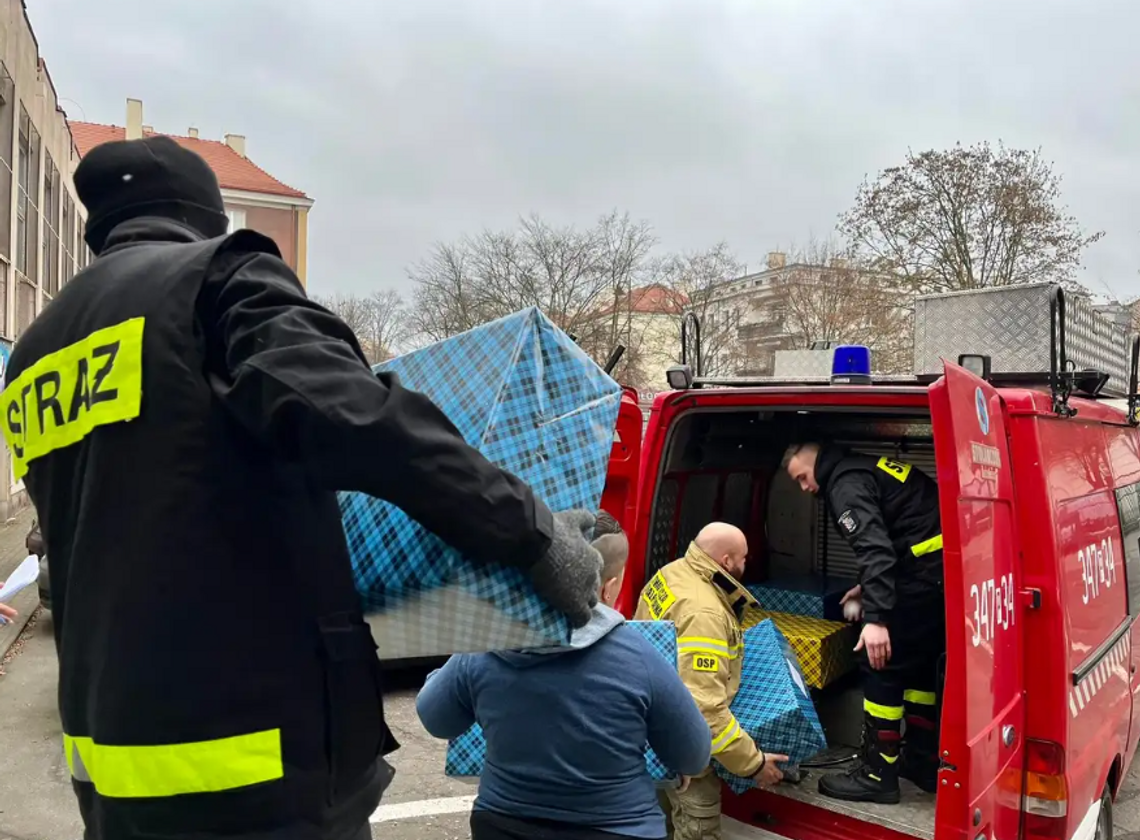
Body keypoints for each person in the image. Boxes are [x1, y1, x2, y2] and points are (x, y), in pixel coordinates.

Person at [0, 135, 604, 840]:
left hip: (111, 763)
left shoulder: (36, 352)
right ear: (205, 219)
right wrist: (534, 536)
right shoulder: (215, 280)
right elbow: (358, 420)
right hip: (252, 761)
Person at [416, 510, 712, 840]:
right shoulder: (639, 655)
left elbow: (436, 719)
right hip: (618, 829)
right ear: (607, 588)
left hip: (503, 824)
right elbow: (694, 755)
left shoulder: (485, 645)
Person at [784, 442, 944, 804]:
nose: (805, 489)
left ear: (815, 461)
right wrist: (868, 587)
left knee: (880, 665)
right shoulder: (864, 469)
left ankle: (877, 775)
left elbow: (875, 550)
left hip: (920, 582)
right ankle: (922, 761)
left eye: (802, 477)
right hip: (935, 582)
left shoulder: (845, 485)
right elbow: (898, 539)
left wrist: (875, 619)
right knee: (918, 672)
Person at [634, 522, 788, 840]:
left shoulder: (672, 573)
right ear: (726, 561)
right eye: (743, 558)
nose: (747, 564)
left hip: (652, 736)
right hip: (688, 756)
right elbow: (703, 712)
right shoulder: (706, 614)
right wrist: (754, 764)